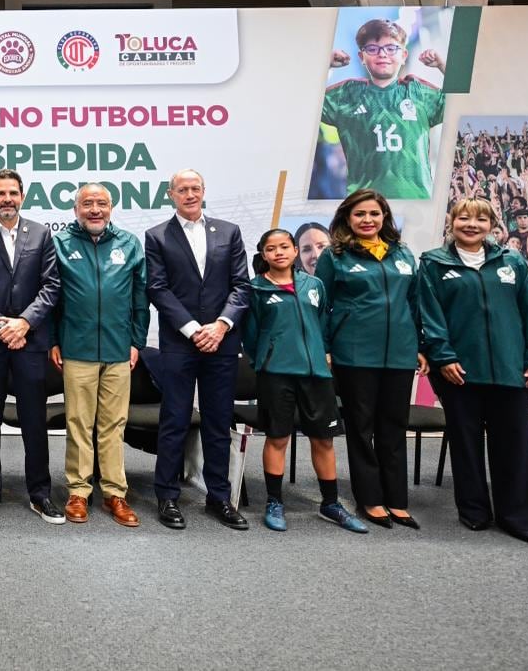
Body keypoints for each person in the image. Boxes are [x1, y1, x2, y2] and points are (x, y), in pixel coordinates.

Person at [418, 197, 528, 543]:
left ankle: (517, 517)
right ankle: (475, 512)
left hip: (510, 370)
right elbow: (429, 317)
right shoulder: (434, 264)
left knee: (515, 445)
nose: (471, 225)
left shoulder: (513, 262)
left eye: (480, 219)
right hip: (458, 372)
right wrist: (443, 357)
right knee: (465, 444)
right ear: (452, 222)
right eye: (464, 218)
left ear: (492, 224)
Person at [315, 189, 427, 529]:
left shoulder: (403, 254)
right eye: (360, 214)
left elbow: (416, 302)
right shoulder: (335, 256)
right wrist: (324, 347)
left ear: (384, 218)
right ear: (347, 218)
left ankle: (397, 500)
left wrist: (421, 344)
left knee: (393, 427)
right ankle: (371, 499)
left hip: (400, 353)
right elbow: (319, 304)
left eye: (374, 214)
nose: (367, 220)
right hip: (354, 352)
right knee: (361, 429)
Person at [145, 169, 251, 530]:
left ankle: (219, 497)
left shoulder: (229, 232)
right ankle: (167, 496)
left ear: (204, 191)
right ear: (171, 194)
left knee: (218, 422)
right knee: (174, 420)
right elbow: (158, 289)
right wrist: (193, 330)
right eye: (182, 190)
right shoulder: (157, 235)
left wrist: (221, 326)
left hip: (221, 342)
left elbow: (241, 286)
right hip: (179, 343)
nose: (189, 194)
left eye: (195, 188)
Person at [244, 229, 368, 533]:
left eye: (284, 247)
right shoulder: (256, 289)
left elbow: (323, 322)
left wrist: (322, 351)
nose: (279, 253)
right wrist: (265, 359)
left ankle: (330, 503)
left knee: (324, 440)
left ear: (294, 251)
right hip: (276, 374)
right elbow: (250, 335)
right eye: (271, 249)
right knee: (277, 438)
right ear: (263, 255)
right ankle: (274, 502)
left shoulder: (314, 285)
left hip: (316, 374)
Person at [0, 170, 63, 525]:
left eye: (13, 193)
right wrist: (0, 323)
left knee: (35, 420)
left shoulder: (42, 233)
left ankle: (41, 493)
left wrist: (25, 323)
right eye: (0, 193)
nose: (7, 199)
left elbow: (51, 286)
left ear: (22, 196)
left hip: (30, 342)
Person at [49, 183, 149, 528]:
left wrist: (137, 341)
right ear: (76, 209)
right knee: (78, 422)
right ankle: (78, 491)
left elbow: (140, 298)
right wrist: (53, 340)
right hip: (76, 348)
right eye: (87, 203)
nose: (95, 209)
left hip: (119, 349)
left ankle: (114, 493)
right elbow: (51, 299)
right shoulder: (60, 244)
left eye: (101, 203)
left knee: (112, 424)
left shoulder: (129, 244)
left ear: (111, 208)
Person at [321, 18, 446, 199]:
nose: (382, 54)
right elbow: (304, 105)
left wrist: (442, 66)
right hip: (365, 203)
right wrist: (327, 66)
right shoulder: (347, 95)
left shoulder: (418, 92)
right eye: (372, 49)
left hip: (417, 201)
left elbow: (464, 102)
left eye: (391, 48)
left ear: (404, 56)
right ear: (361, 57)